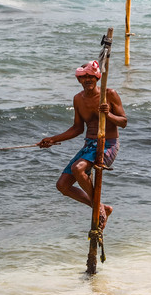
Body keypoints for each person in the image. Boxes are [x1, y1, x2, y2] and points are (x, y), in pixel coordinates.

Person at [38, 60, 127, 229]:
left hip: (108, 144)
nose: (87, 80)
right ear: (79, 80)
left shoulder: (109, 94)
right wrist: (53, 139)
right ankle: (100, 208)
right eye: (83, 77)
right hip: (89, 145)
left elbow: (123, 122)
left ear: (97, 78)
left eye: (91, 76)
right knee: (62, 185)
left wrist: (108, 115)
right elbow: (77, 128)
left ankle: (98, 208)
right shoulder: (78, 99)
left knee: (78, 169)